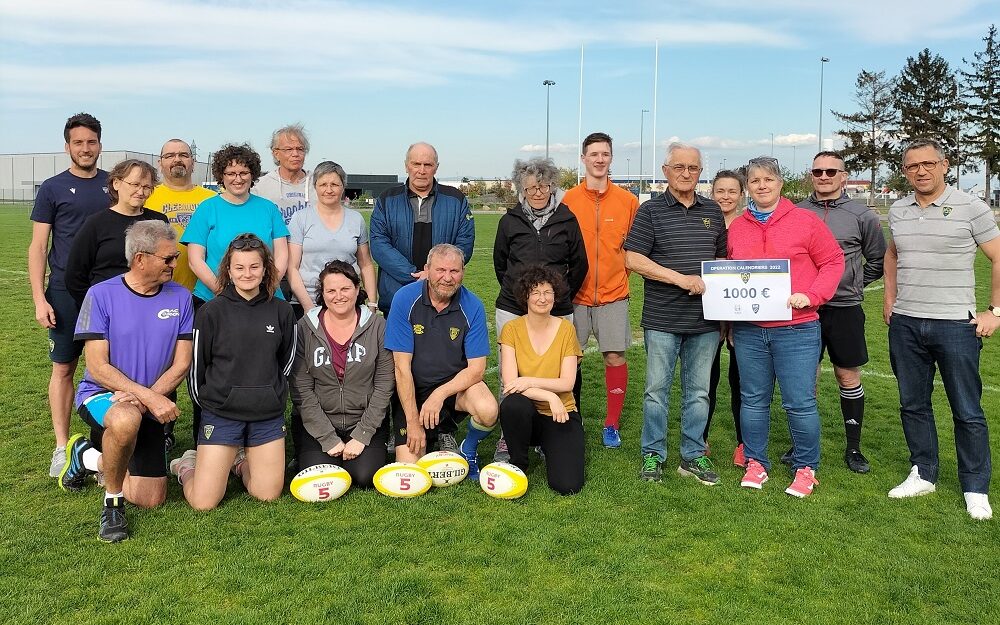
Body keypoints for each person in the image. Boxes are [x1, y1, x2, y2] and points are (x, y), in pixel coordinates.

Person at [883, 138, 1000, 520]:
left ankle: (975, 486)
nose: (921, 171)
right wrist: (889, 300)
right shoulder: (899, 210)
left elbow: (998, 257)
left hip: (955, 324)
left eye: (928, 164)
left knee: (966, 409)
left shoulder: (971, 207)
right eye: (912, 166)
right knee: (912, 404)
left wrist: (995, 311)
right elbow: (893, 254)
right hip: (906, 324)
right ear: (905, 171)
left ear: (944, 165)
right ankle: (923, 473)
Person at [57, 221, 193, 542]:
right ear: (140, 259)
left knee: (152, 498)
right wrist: (147, 399)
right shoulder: (101, 295)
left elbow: (182, 363)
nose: (175, 265)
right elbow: (97, 366)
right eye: (168, 259)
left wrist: (145, 398)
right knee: (126, 418)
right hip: (101, 395)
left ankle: (86, 456)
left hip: (148, 401)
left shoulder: (181, 298)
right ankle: (113, 504)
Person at [728, 157, 844, 498]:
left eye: (768, 179)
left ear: (780, 183)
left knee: (799, 403)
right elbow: (734, 275)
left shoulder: (805, 221)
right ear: (747, 187)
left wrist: (813, 295)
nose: (761, 186)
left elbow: (833, 260)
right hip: (750, 330)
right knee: (753, 399)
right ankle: (756, 462)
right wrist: (731, 320)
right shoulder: (738, 226)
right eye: (754, 181)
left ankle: (806, 467)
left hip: (797, 328)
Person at [624, 143, 727, 485]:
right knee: (657, 391)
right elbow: (633, 259)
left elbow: (723, 264)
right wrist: (680, 279)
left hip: (705, 321)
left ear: (701, 172)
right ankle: (653, 454)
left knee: (699, 392)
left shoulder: (713, 211)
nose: (686, 173)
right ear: (666, 170)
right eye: (679, 167)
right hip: (662, 318)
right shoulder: (650, 211)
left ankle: (693, 455)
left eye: (693, 168)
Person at [170, 234, 296, 510]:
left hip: (265, 414)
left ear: (266, 270)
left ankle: (239, 464)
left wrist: (272, 393)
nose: (247, 273)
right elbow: (196, 367)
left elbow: (287, 361)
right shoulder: (211, 312)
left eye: (254, 267)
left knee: (267, 494)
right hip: (222, 413)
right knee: (204, 502)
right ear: (228, 269)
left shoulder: (281, 310)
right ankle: (189, 466)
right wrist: (210, 405)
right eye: (239, 267)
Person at [180, 144, 290, 444]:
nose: (237, 178)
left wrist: (265, 287)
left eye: (243, 172)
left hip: (265, 300)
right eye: (230, 173)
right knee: (216, 368)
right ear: (221, 176)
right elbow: (195, 259)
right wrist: (227, 293)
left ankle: (259, 436)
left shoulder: (268, 209)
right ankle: (206, 441)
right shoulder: (208, 209)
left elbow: (281, 254)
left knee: (260, 364)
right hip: (215, 300)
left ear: (252, 174)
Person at [28, 112, 109, 478]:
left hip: (108, 293)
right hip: (64, 292)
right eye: (78, 142)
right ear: (67, 147)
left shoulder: (114, 184)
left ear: (99, 145)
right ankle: (62, 448)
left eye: (91, 142)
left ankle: (108, 440)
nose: (85, 148)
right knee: (64, 368)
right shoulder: (53, 188)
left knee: (110, 367)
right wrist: (39, 299)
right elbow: (38, 246)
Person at [491, 157, 588, 462]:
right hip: (512, 306)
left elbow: (579, 264)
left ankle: (556, 428)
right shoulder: (509, 220)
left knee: (564, 368)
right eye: (531, 187)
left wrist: (556, 296)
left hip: (556, 307)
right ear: (522, 188)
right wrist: (521, 297)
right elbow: (500, 262)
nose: (537, 192)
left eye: (543, 186)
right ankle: (511, 435)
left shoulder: (567, 219)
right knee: (511, 372)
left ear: (552, 186)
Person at [798, 150, 886, 474]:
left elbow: (877, 259)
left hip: (844, 308)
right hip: (805, 308)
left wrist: (851, 282)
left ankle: (853, 448)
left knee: (846, 375)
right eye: (818, 171)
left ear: (844, 176)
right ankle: (801, 443)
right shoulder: (796, 212)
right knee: (804, 378)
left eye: (831, 172)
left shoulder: (862, 215)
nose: (824, 177)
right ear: (811, 175)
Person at [385, 244, 498, 478]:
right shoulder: (405, 299)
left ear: (463, 272)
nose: (447, 278)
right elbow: (401, 368)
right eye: (441, 270)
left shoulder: (473, 305)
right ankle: (427, 430)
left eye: (454, 271)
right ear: (427, 270)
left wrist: (439, 395)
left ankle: (467, 448)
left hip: (451, 389)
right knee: (411, 470)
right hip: (413, 388)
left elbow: (477, 370)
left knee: (488, 410)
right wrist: (413, 422)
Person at [562, 132, 639, 449]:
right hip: (574, 296)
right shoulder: (568, 199)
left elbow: (635, 249)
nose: (599, 159)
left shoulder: (627, 201)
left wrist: (620, 273)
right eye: (593, 154)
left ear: (610, 158)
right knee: (568, 360)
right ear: (583, 158)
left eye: (604, 154)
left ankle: (611, 424)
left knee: (614, 355)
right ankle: (568, 418)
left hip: (613, 295)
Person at [290, 261, 393, 488]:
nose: (339, 296)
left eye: (345, 289)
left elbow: (384, 384)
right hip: (318, 423)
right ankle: (309, 451)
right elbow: (301, 389)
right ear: (322, 294)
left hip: (363, 420)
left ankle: (368, 445)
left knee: (364, 476)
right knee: (322, 478)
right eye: (331, 291)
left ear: (357, 289)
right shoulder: (304, 328)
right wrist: (327, 437)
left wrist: (362, 435)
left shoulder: (378, 326)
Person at [498, 266, 585, 494]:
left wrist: (528, 381)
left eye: (548, 292)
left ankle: (550, 447)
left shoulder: (566, 329)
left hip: (561, 412)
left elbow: (567, 383)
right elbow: (510, 384)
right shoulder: (511, 329)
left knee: (567, 485)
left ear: (555, 296)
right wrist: (548, 395)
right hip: (529, 412)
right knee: (513, 404)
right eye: (535, 292)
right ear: (525, 295)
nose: (542, 298)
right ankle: (519, 463)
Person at [369, 142, 475, 316]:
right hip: (397, 299)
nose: (422, 170)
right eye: (416, 164)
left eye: (428, 165)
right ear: (406, 166)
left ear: (436, 167)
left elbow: (465, 243)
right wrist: (414, 275)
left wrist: (434, 274)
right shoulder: (387, 200)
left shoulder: (456, 200)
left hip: (443, 299)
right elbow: (379, 245)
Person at [65, 159, 169, 306]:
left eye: (147, 187)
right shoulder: (95, 224)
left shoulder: (158, 221)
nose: (141, 192)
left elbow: (167, 264)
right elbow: (75, 275)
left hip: (150, 305)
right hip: (107, 306)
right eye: (135, 184)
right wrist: (95, 305)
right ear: (116, 183)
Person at [287, 161, 377, 318]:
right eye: (323, 185)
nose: (328, 190)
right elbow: (292, 267)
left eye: (334, 184)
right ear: (315, 186)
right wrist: (309, 307)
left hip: (346, 302)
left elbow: (366, 264)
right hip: (307, 302)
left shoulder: (356, 219)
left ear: (343, 186)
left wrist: (372, 304)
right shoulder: (301, 218)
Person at [703, 170, 746, 467]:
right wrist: (720, 320)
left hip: (744, 317)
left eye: (732, 191)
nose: (726, 196)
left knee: (743, 382)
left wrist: (733, 321)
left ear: (741, 194)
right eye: (720, 190)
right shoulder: (704, 222)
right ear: (712, 192)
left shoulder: (750, 225)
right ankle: (700, 439)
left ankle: (745, 444)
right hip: (708, 316)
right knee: (705, 380)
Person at [146, 139, 217, 291]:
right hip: (158, 289)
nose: (177, 159)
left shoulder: (213, 199)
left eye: (183, 155)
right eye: (170, 155)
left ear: (193, 161)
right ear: (160, 162)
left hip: (206, 290)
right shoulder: (146, 196)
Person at [253, 123, 311, 225]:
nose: (295, 154)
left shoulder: (317, 183)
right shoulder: (260, 187)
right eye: (289, 149)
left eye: (300, 149)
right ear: (276, 153)